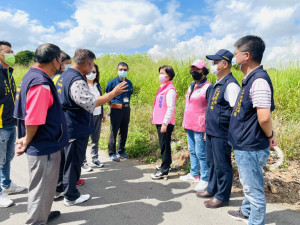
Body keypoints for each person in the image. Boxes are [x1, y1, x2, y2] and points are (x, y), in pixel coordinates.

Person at [56, 49, 128, 206]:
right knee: (73, 162)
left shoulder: (64, 76)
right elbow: (90, 102)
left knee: (66, 160)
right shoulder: (77, 80)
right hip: (75, 126)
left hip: (66, 124)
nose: (92, 68)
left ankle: (62, 188)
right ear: (87, 64)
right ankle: (71, 196)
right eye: (92, 64)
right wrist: (112, 94)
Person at [14, 43, 69, 224]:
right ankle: (37, 221)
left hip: (41, 143)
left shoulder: (30, 76)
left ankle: (41, 215)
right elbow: (35, 118)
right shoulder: (41, 82)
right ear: (54, 61)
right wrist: (27, 139)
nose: (62, 66)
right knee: (42, 187)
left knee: (42, 185)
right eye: (61, 61)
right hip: (45, 145)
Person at [227, 35, 275, 225]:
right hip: (245, 144)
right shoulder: (250, 79)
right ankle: (246, 212)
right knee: (252, 185)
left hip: (250, 147)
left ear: (246, 55)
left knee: (253, 190)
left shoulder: (259, 81)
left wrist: (270, 135)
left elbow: (264, 117)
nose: (233, 57)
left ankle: (256, 222)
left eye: (235, 53)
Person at [196, 50, 240, 208]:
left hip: (222, 133)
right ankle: (213, 188)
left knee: (222, 164)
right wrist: (208, 131)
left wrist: (231, 135)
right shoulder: (217, 83)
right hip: (212, 132)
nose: (212, 65)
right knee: (212, 162)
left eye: (215, 62)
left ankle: (222, 196)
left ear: (225, 64)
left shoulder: (231, 85)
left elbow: (236, 113)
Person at [0, 41, 26, 208]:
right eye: (8, 51)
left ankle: (7, 185)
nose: (12, 54)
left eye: (12, 51)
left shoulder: (9, 73)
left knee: (7, 158)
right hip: (0, 125)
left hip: (10, 122)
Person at [180, 60, 210, 189]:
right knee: (192, 151)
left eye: (197, 69)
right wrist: (185, 123)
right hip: (190, 124)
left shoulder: (208, 87)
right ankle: (194, 174)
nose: (194, 72)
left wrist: (207, 129)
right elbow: (188, 105)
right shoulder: (192, 85)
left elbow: (210, 109)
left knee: (201, 153)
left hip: (200, 126)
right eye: (192, 69)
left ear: (204, 71)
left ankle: (205, 178)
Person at [151, 65, 177, 180]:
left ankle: (164, 170)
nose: (160, 75)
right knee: (164, 145)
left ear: (169, 76)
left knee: (164, 146)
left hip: (165, 123)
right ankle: (166, 164)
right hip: (160, 122)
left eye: (163, 73)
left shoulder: (170, 90)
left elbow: (170, 108)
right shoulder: (163, 88)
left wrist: (165, 123)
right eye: (160, 72)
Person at [105, 62, 133, 162]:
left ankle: (120, 151)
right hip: (116, 109)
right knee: (114, 131)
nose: (123, 71)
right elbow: (106, 96)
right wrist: (111, 105)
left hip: (126, 109)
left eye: (125, 70)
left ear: (127, 71)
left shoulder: (129, 83)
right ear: (117, 70)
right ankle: (111, 153)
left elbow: (129, 96)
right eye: (121, 69)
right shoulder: (112, 83)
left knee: (124, 130)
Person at [81, 64, 105, 172]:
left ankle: (95, 158)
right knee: (85, 139)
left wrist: (103, 113)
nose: (92, 74)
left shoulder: (97, 85)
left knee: (95, 138)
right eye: (90, 72)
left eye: (94, 72)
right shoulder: (83, 84)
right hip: (87, 115)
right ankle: (83, 161)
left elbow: (101, 99)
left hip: (98, 114)